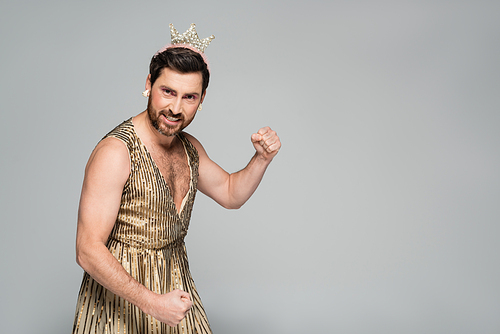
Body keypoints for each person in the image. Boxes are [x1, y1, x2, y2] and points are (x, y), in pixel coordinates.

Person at [71, 24, 281, 334]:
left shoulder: (190, 149)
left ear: (202, 98)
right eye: (167, 91)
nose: (175, 108)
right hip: (119, 307)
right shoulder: (116, 153)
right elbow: (87, 249)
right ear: (148, 84)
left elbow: (230, 193)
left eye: (189, 97)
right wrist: (152, 303)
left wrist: (262, 159)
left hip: (176, 296)